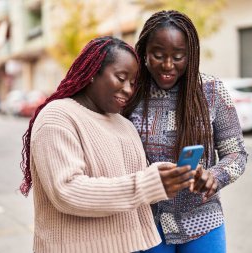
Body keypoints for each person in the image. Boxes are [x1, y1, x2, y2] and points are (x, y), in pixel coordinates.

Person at [19, 36, 197, 253]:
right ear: (92, 73)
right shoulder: (58, 117)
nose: (128, 90)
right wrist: (146, 184)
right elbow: (67, 191)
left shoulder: (124, 124)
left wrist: (165, 178)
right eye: (121, 78)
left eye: (132, 83)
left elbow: (134, 186)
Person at [123, 10, 248, 253]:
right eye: (158, 55)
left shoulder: (212, 92)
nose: (168, 65)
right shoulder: (129, 94)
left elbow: (237, 153)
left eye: (178, 57)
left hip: (202, 220)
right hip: (146, 222)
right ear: (144, 53)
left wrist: (215, 176)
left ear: (191, 56)